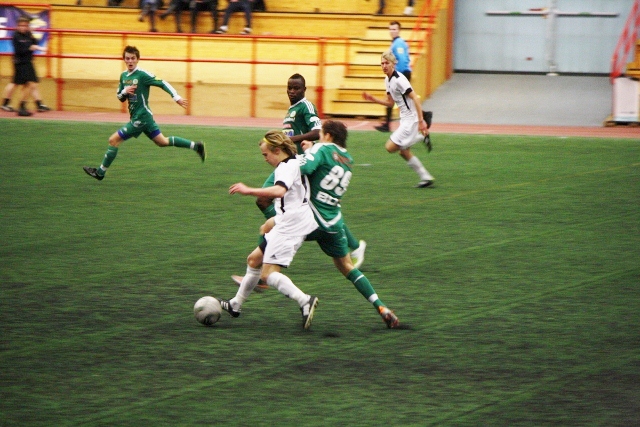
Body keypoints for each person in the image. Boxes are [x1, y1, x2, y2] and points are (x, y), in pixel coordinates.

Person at [231, 73, 366, 289]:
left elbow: (316, 132)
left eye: (296, 88)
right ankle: (353, 245)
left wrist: (289, 140)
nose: (292, 91)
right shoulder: (292, 109)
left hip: (299, 165)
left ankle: (266, 263)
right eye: (290, 88)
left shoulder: (306, 106)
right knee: (268, 202)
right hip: (289, 163)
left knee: (268, 203)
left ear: (304, 90)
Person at [299, 120, 400, 328]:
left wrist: (306, 153)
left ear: (328, 135)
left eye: (321, 134)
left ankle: (259, 283)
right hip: (334, 222)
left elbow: (306, 167)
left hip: (311, 218)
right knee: (347, 267)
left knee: (269, 231)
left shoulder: (322, 148)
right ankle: (381, 306)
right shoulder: (348, 159)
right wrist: (312, 150)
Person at [219, 130, 320, 330]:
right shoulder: (295, 160)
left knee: (267, 275)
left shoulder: (285, 167)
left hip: (290, 225)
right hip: (291, 219)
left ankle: (304, 300)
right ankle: (235, 304)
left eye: (266, 155)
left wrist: (249, 190)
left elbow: (279, 191)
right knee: (253, 260)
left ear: (277, 150)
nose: (265, 159)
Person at [82, 45, 205, 181]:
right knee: (162, 142)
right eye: (127, 58)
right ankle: (196, 146)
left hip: (141, 118)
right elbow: (120, 97)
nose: (130, 61)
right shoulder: (123, 76)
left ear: (137, 59)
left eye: (133, 58)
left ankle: (100, 173)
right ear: (124, 59)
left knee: (113, 140)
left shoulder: (142, 75)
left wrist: (176, 97)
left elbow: (162, 82)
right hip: (143, 117)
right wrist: (125, 91)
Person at [362, 49, 435, 188]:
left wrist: (421, 121)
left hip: (411, 119)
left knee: (390, 147)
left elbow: (415, 98)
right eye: (382, 63)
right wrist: (373, 99)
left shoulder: (400, 80)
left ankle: (420, 137)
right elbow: (390, 103)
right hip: (405, 119)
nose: (384, 66)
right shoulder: (387, 79)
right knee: (403, 151)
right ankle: (425, 177)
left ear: (393, 64)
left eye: (387, 63)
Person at [5, 17, 51, 117]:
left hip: (28, 62)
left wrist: (32, 36)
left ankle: (25, 105)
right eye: (21, 25)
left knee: (30, 84)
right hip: (21, 63)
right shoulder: (16, 36)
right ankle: (21, 106)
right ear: (17, 26)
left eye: (25, 25)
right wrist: (32, 48)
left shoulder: (28, 34)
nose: (23, 27)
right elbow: (20, 50)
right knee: (29, 83)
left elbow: (35, 42)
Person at [375, 21, 411, 133]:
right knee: (394, 99)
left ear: (399, 30)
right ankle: (387, 124)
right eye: (391, 29)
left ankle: (422, 117)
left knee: (400, 101)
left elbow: (402, 61)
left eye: (394, 29)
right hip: (402, 73)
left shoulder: (398, 43)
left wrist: (396, 75)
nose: (392, 31)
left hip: (401, 73)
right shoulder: (396, 42)